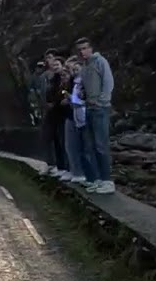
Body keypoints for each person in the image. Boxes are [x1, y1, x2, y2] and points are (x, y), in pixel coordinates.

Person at [76, 37, 115, 194]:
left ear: (91, 48)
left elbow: (108, 82)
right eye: (80, 50)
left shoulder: (100, 62)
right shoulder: (84, 67)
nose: (82, 52)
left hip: (100, 108)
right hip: (89, 108)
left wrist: (102, 101)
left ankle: (107, 180)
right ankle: (97, 178)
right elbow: (84, 86)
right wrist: (83, 95)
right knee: (90, 145)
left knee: (101, 145)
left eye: (85, 48)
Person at [61, 56, 95, 184]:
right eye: (70, 69)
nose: (71, 71)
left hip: (84, 117)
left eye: (74, 68)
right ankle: (77, 171)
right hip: (75, 117)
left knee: (86, 148)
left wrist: (71, 99)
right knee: (73, 147)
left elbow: (84, 100)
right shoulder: (73, 83)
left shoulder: (84, 82)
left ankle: (89, 175)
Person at [41, 52, 70, 177]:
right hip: (53, 113)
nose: (55, 67)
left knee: (63, 142)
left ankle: (66, 167)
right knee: (56, 141)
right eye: (53, 65)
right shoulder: (52, 79)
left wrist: (55, 102)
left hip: (62, 113)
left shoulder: (64, 79)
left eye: (57, 64)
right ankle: (59, 166)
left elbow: (63, 93)